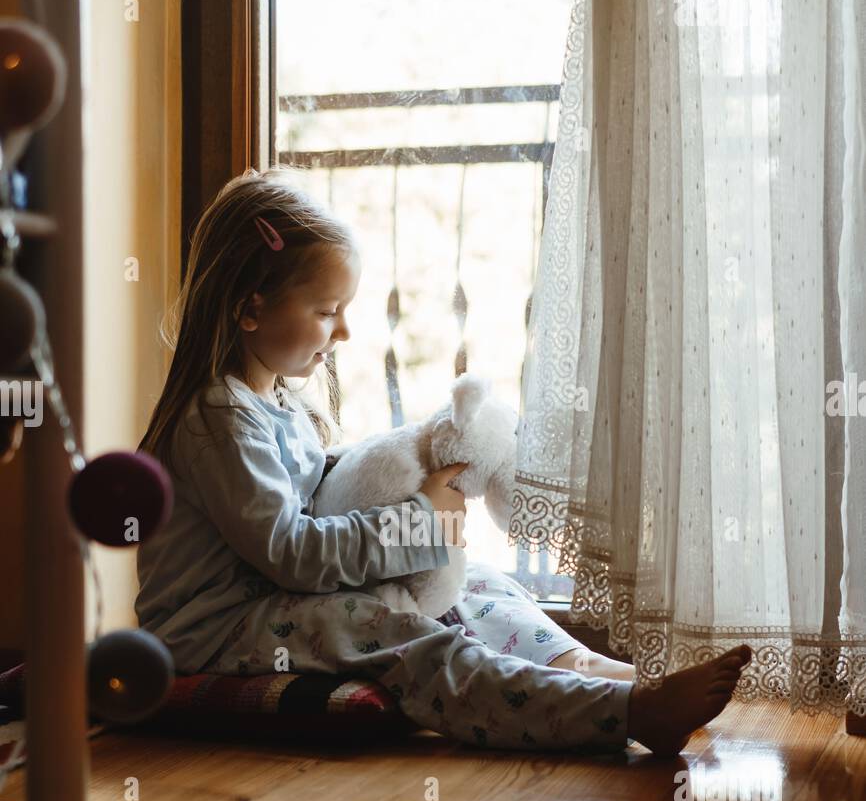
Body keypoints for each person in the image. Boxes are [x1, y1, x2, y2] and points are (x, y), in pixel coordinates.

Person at [136, 168, 750, 756]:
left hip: (273, 601)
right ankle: (623, 714)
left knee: (474, 582)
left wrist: (412, 455)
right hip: (218, 629)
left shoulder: (273, 403)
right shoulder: (219, 417)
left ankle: (591, 670)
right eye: (327, 312)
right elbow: (291, 553)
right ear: (250, 309)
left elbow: (313, 492)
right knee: (404, 635)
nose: (344, 332)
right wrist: (419, 521)